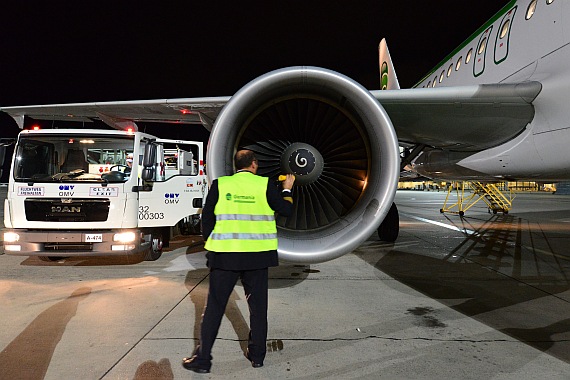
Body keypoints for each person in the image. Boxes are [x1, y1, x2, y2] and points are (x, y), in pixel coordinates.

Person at [182, 150, 295, 374]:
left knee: (213, 309)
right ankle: (257, 357)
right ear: (254, 164)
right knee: (258, 309)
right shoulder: (264, 185)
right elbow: (286, 210)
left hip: (225, 257)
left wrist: (211, 243)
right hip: (257, 256)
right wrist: (287, 188)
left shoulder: (220, 185)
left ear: (237, 166)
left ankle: (203, 360)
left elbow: (207, 218)